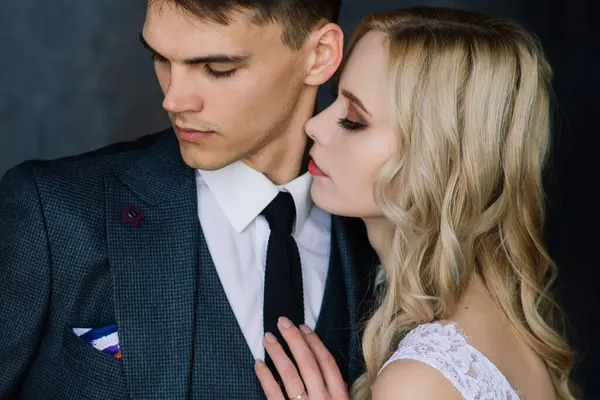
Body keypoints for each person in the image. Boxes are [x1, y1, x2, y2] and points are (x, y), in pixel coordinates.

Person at [0, 1, 378, 398]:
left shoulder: (385, 240)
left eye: (218, 69)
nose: (174, 100)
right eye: (160, 58)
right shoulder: (52, 214)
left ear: (319, 56)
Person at [254, 6, 578, 400]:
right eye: (334, 99)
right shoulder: (503, 325)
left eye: (354, 120)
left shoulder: (420, 380)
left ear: (440, 160)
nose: (314, 125)